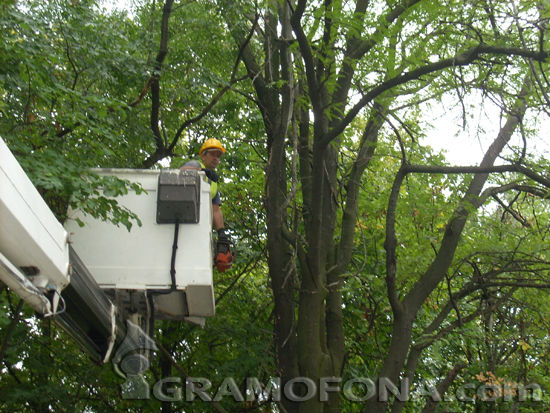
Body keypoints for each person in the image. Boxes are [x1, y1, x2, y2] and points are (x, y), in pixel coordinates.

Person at [181, 138, 233, 272]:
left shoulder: (214, 183)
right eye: (212, 154)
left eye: (218, 155)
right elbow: (182, 171)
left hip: (201, 227)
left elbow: (216, 210)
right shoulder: (196, 164)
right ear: (203, 155)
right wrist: (203, 172)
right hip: (184, 220)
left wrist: (221, 233)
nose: (216, 158)